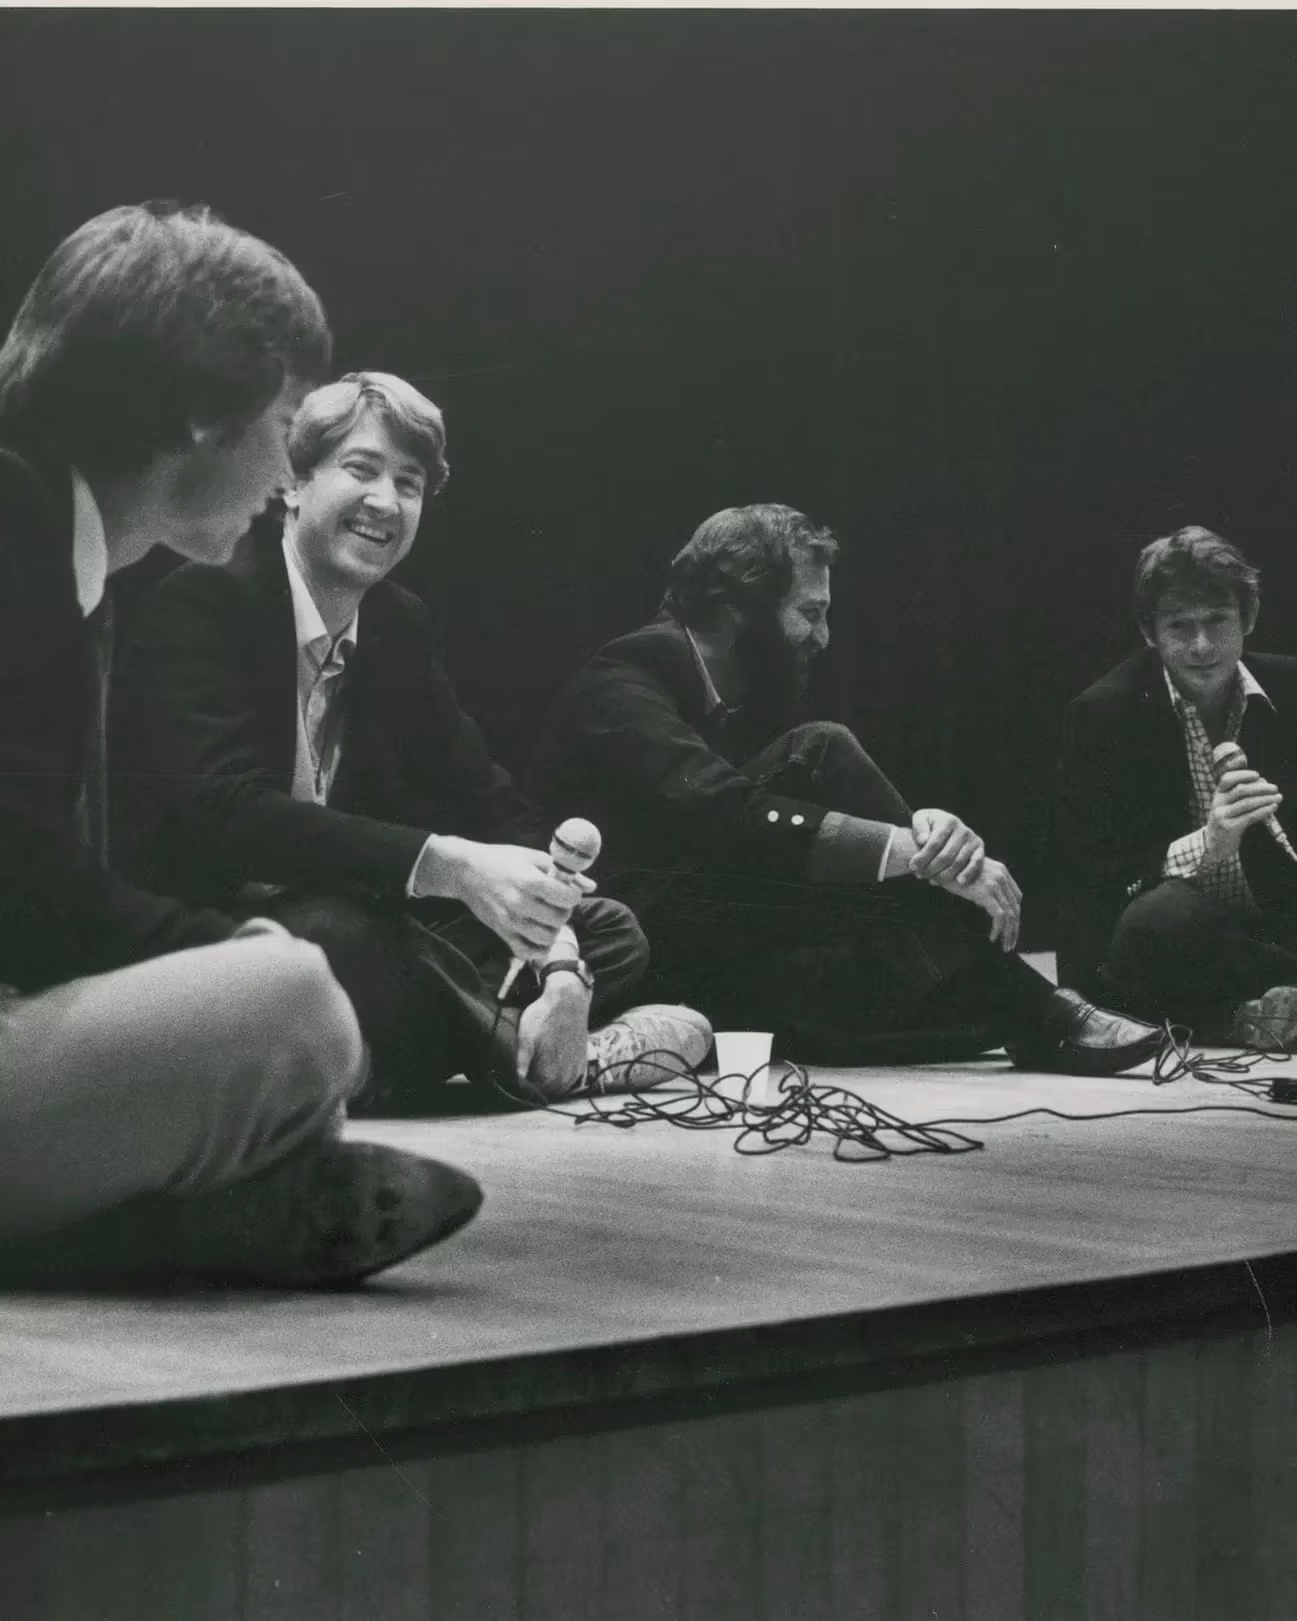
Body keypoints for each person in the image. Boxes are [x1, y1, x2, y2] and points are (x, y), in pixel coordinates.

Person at [0, 203, 482, 1288]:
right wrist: (231, 947)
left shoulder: (48, 536)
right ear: (198, 416)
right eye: (283, 429)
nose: (283, 468)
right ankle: (148, 1228)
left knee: (283, 994)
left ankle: (162, 1213)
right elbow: (19, 880)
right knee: (296, 1003)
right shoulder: (15, 527)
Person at [112, 371, 710, 1111]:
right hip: (205, 937)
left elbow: (484, 796)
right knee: (338, 939)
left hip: (365, 930)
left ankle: (394, 1056)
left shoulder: (398, 623)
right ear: (295, 483)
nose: (384, 502)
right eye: (360, 469)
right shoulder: (205, 600)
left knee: (606, 930)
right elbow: (228, 814)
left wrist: (557, 958)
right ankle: (560, 1062)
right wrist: (448, 866)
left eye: (410, 482)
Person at [528, 502, 1162, 1072]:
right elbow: (729, 813)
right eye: (810, 613)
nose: (824, 637)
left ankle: (1026, 1013)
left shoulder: (736, 691)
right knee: (821, 746)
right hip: (625, 946)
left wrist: (930, 831)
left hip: (709, 935)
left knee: (900, 1009)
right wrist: (925, 857)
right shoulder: (625, 678)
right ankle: (1039, 1009)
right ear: (735, 610)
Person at [1056, 525, 1297, 1043]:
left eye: (1218, 620)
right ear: (1150, 633)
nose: (1202, 645)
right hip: (1164, 934)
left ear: (1248, 618)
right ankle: (1255, 1011)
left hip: (1265, 933)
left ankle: (1252, 1013)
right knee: (1161, 919)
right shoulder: (1102, 716)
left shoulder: (1292, 690)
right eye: (1180, 626)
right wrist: (1207, 846)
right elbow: (1092, 885)